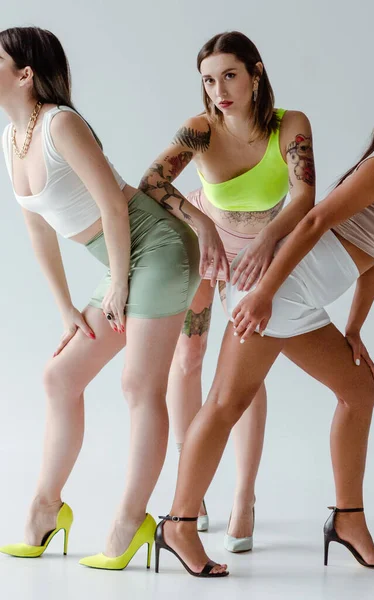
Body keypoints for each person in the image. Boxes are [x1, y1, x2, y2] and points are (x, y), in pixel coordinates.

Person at [0, 26, 228, 571]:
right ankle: (44, 510)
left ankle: (131, 522)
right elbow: (38, 234)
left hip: (159, 248)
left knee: (138, 385)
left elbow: (109, 203)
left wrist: (120, 285)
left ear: (25, 73)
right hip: (126, 260)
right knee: (60, 377)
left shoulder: (61, 124)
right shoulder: (13, 138)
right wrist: (66, 310)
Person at [154, 75, 374, 577]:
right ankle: (177, 523)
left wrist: (353, 329)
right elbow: (311, 221)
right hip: (277, 289)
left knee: (360, 390)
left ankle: (348, 520)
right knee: (227, 402)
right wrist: (263, 292)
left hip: (300, 300)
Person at [139, 30, 315, 550]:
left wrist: (267, 239)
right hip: (203, 248)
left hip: (257, 251)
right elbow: (151, 181)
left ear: (256, 72)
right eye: (209, 80)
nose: (220, 90)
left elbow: (305, 195)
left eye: (230, 75)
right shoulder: (200, 129)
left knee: (245, 375)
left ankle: (244, 494)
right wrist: (203, 224)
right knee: (188, 359)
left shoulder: (291, 126)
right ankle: (190, 488)